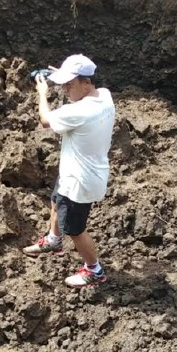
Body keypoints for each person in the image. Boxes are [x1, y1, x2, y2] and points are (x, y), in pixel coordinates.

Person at [22, 54, 116, 288]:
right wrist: (63, 74)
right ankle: (53, 240)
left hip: (79, 183)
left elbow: (45, 120)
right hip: (78, 173)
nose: (64, 89)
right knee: (55, 202)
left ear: (86, 82)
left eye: (69, 84)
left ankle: (94, 270)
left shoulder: (78, 112)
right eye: (63, 83)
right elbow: (81, 87)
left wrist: (42, 93)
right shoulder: (104, 95)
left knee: (75, 229)